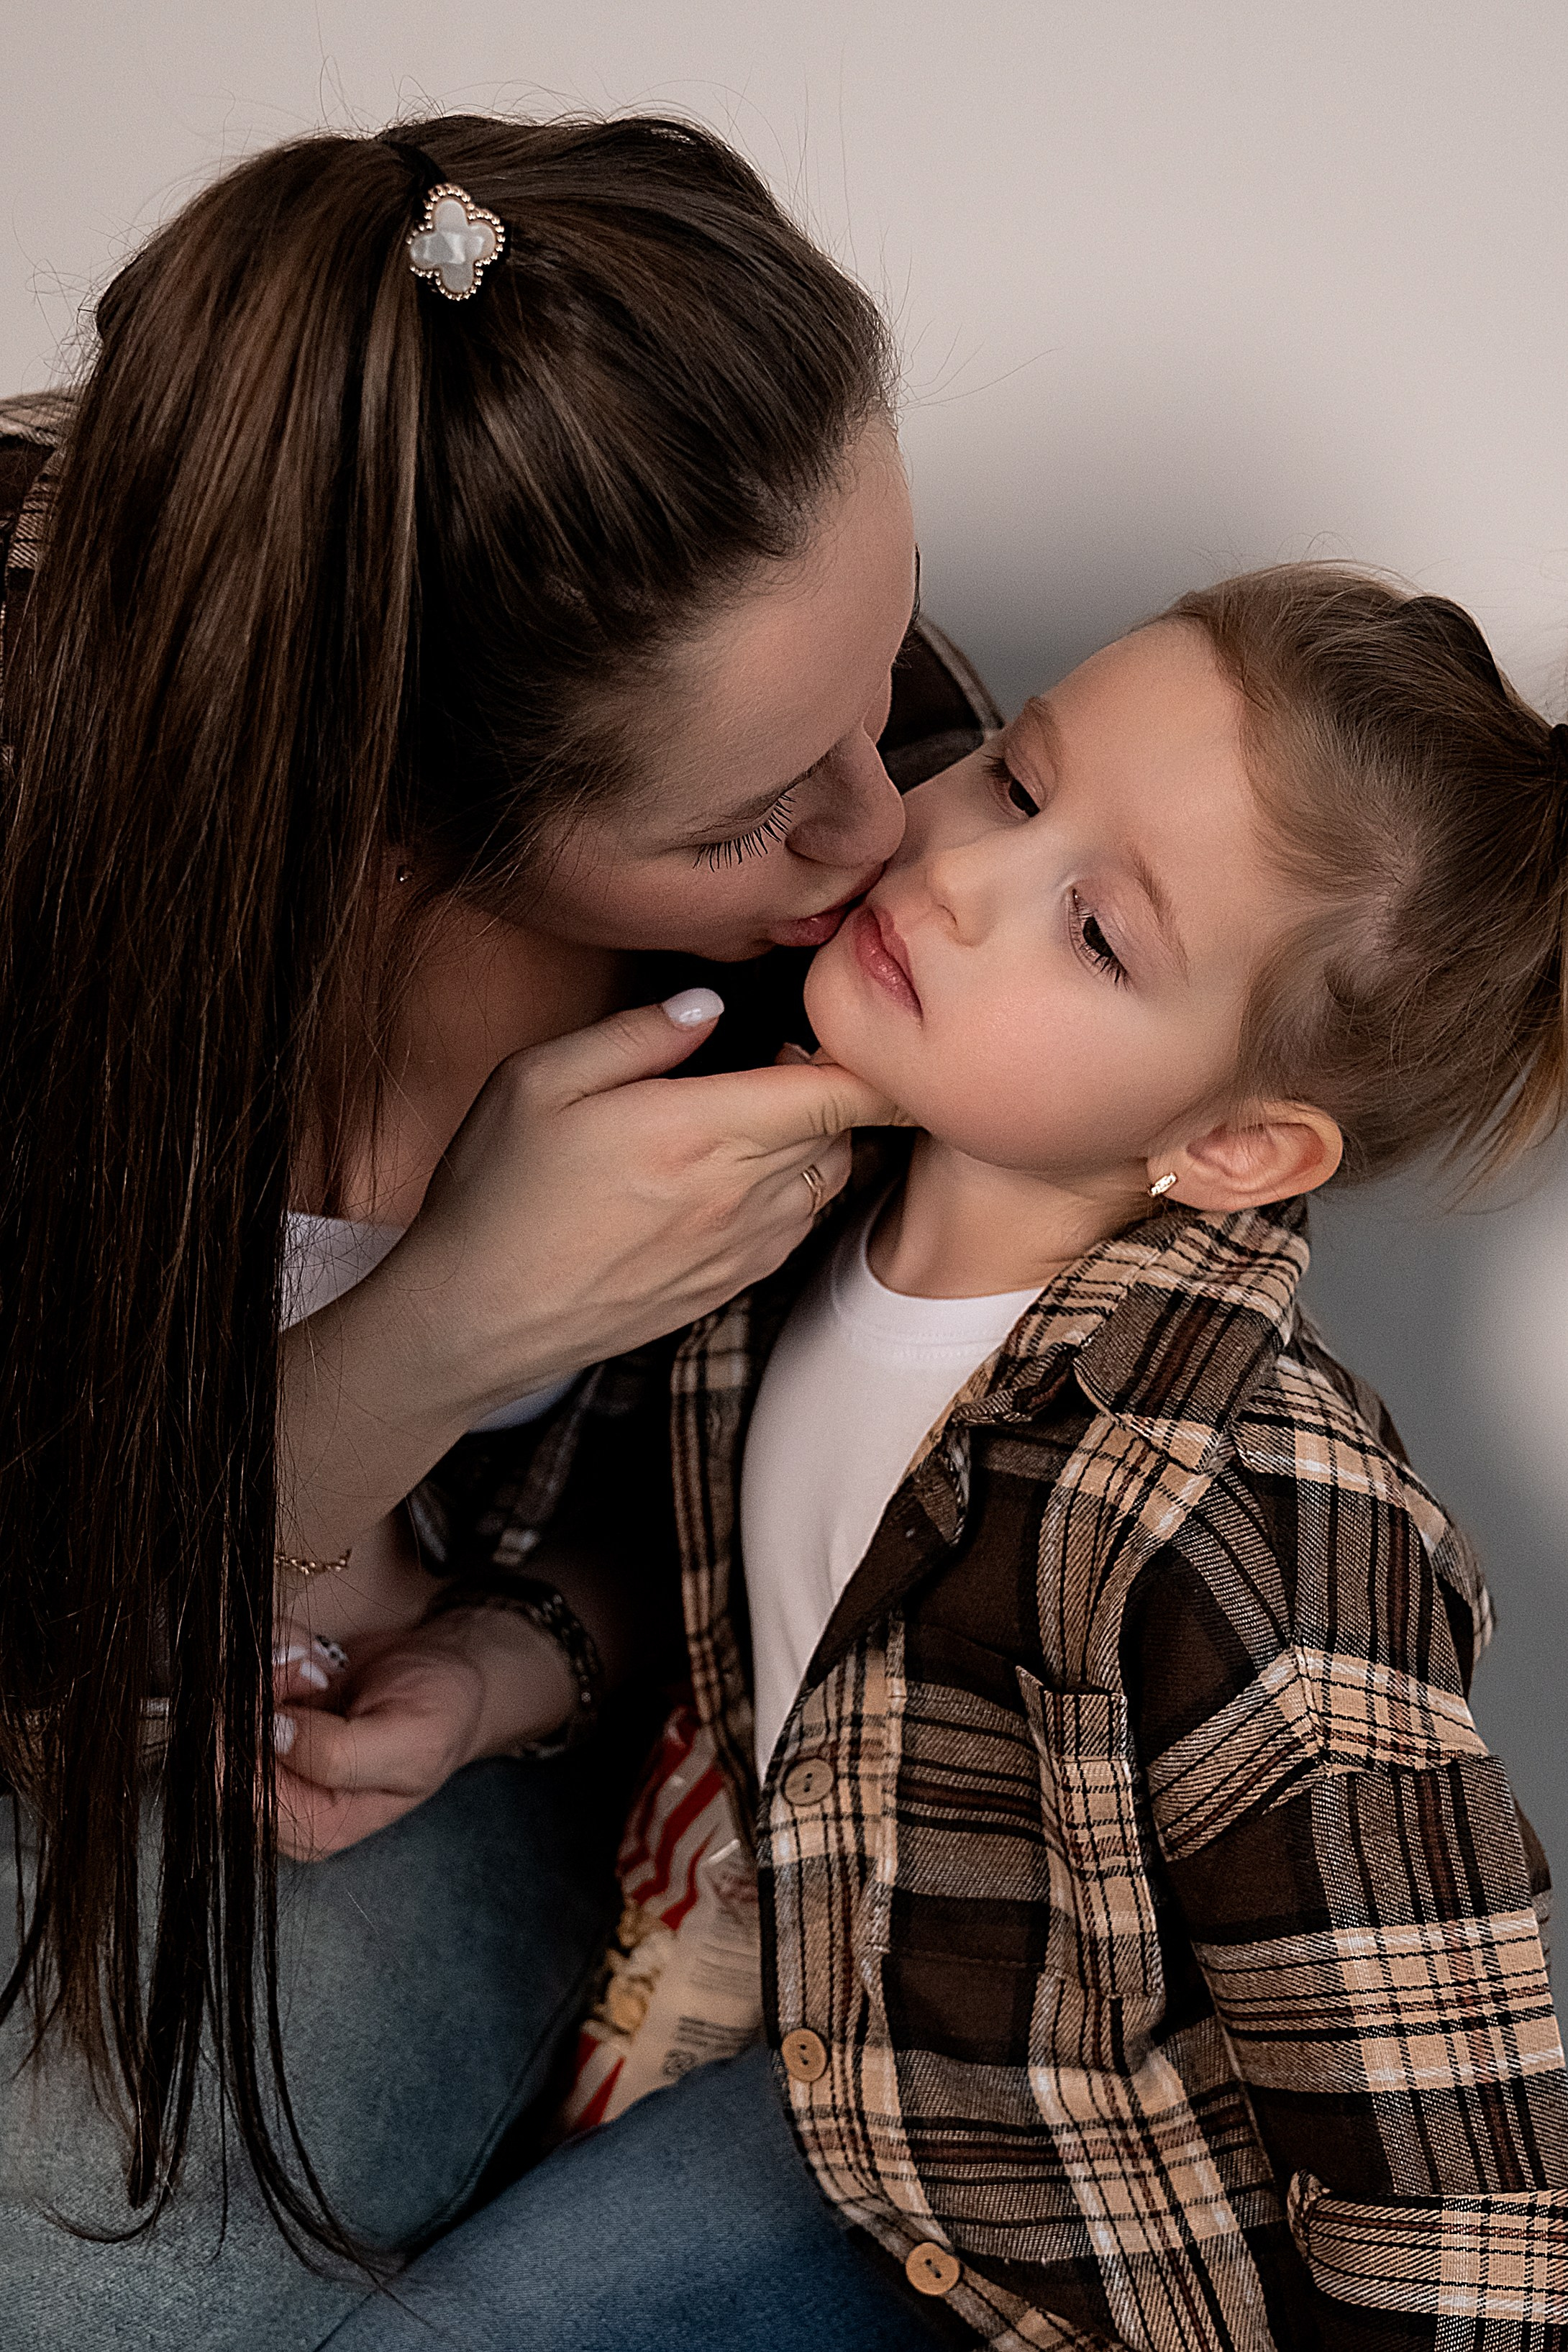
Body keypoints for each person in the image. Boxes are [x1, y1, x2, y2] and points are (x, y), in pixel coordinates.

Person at [0, 113, 1002, 2350]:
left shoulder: (895, 849)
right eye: (755, 810)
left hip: (391, 1798)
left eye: (881, 678)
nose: (897, 814)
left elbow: (843, 1554)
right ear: (382, 814)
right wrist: (443, 1324)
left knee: (92, 2250)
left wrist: (507, 1657)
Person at [327, 566, 1568, 2352]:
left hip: (1068, 2253)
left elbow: (1460, 2191)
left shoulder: (1240, 1523)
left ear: (1228, 1147)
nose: (961, 875)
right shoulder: (785, 1221)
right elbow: (777, 1638)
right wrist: (496, 1666)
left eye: (1097, 933)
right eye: (1015, 775)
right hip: (847, 2093)